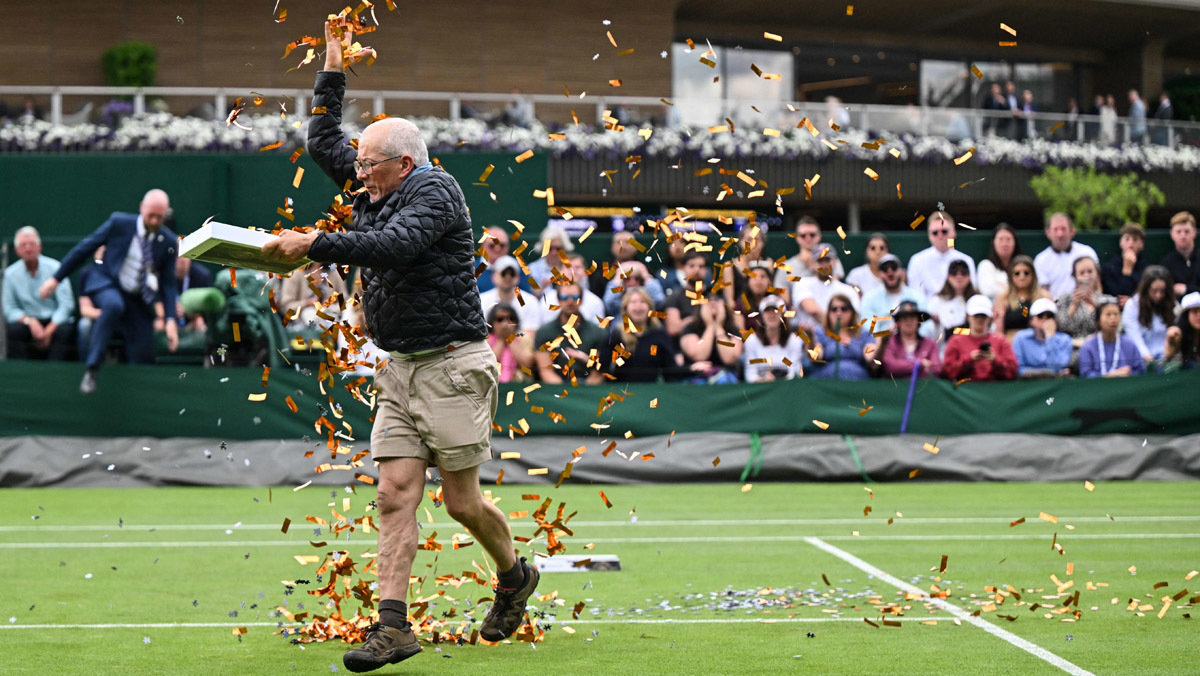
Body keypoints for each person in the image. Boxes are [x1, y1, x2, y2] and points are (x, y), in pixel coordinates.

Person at [259, 20, 537, 671]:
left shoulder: (435, 191)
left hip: (451, 365)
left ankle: (515, 574)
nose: (355, 173)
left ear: (402, 164)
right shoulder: (370, 181)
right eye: (356, 165)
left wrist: (312, 243)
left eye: (367, 165)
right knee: (393, 493)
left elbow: (393, 246)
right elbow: (323, 136)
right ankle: (394, 629)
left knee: (461, 501)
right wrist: (333, 65)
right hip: (400, 368)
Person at [40, 189, 180, 394]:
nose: (155, 220)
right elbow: (85, 249)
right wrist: (56, 278)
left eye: (160, 217)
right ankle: (92, 369)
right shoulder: (119, 223)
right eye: (151, 215)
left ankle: (139, 394)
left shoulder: (168, 242)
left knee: (144, 346)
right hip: (108, 283)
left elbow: (168, 284)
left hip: (137, 299)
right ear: (142, 208)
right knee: (114, 305)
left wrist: (170, 320)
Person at [3, 226, 76, 360]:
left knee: (65, 330)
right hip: (28, 322)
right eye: (23, 245)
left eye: (32, 244)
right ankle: (22, 374)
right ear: (17, 250)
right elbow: (9, 309)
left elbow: (66, 305)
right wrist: (30, 321)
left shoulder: (56, 268)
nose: (28, 249)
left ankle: (55, 373)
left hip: (54, 321)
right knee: (14, 330)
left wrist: (49, 330)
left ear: (39, 247)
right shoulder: (10, 274)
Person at [533, 280, 607, 385]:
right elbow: (546, 371)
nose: (570, 301)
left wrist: (583, 392)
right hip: (556, 390)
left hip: (590, 391)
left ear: (581, 300)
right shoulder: (545, 332)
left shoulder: (598, 332)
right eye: (564, 297)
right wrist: (565, 393)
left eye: (575, 297)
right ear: (558, 300)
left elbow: (600, 372)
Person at [601, 287, 679, 382]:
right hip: (621, 391)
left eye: (642, 302)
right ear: (626, 308)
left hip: (651, 391)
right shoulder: (617, 335)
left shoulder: (660, 334)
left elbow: (671, 370)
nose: (638, 307)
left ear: (649, 307)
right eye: (633, 302)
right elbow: (603, 366)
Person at [941, 294, 1018, 382]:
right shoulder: (956, 341)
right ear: (967, 316)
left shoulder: (1000, 340)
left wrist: (995, 360)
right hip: (965, 389)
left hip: (995, 388)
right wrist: (969, 359)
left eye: (983, 316)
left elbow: (1013, 371)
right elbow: (947, 372)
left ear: (990, 318)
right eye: (976, 316)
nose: (980, 319)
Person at [906, 210, 976, 300]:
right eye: (935, 233)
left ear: (953, 233)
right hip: (928, 311)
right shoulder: (917, 260)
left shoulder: (966, 260)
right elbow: (916, 295)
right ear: (929, 236)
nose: (940, 235)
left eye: (944, 231)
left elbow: (971, 292)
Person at [791, 242, 859, 331]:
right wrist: (834, 329)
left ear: (835, 262)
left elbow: (854, 317)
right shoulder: (802, 283)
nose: (824, 265)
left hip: (840, 339)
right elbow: (813, 311)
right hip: (809, 338)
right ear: (812, 263)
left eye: (827, 260)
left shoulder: (847, 290)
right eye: (820, 261)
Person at [679, 292, 742, 383]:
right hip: (696, 377)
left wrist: (719, 327)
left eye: (716, 299)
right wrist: (710, 326)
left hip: (726, 378)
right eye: (708, 299)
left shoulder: (733, 330)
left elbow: (729, 358)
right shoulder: (690, 328)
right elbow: (699, 355)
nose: (712, 302)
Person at [1033, 212, 1099, 298]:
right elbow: (1043, 291)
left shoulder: (1087, 252)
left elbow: (1097, 284)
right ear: (1048, 232)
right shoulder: (1040, 260)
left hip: (1086, 304)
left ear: (1072, 231)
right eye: (1055, 229)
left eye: (1063, 229)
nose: (1060, 234)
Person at [1121, 265, 1177, 366]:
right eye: (1154, 291)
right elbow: (1134, 336)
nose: (1158, 295)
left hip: (1167, 359)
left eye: (1162, 291)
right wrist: (1149, 360)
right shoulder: (1132, 305)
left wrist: (1167, 358)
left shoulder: (1173, 304)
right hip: (1141, 361)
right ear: (1146, 289)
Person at [809, 294, 874, 380]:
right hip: (826, 382)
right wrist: (810, 338)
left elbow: (870, 358)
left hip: (858, 382)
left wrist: (882, 344)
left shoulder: (863, 334)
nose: (839, 313)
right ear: (828, 313)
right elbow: (816, 356)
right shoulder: (820, 333)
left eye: (844, 309)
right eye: (834, 309)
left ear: (852, 312)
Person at [741, 294, 805, 382]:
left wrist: (777, 381)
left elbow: (795, 372)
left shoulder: (794, 340)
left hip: (787, 387)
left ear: (782, 315)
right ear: (762, 315)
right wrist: (764, 380)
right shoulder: (751, 341)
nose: (772, 315)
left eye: (775, 311)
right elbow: (750, 374)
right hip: (761, 388)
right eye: (767, 311)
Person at [860, 253, 926, 335]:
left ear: (902, 271)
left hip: (912, 343)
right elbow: (868, 328)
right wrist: (886, 334)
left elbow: (926, 326)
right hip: (881, 344)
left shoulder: (916, 297)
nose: (890, 273)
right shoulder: (869, 298)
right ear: (879, 274)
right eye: (885, 269)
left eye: (894, 267)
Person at [1080, 298, 1146, 378]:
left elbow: (1140, 371)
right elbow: (1085, 374)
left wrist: (1129, 373)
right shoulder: (1088, 347)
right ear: (1098, 321)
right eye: (1108, 314)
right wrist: (1108, 376)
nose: (1113, 319)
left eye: (1116, 314)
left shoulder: (1129, 344)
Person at [774, 216, 845, 291]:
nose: (808, 238)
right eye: (803, 235)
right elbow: (783, 299)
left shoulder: (831, 260)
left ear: (819, 236)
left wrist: (816, 267)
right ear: (797, 238)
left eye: (812, 235)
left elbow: (835, 288)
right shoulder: (785, 267)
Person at [278, 261, 348, 332]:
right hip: (301, 325)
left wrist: (330, 307)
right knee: (310, 315)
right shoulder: (295, 273)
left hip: (330, 319)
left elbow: (344, 303)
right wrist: (306, 303)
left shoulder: (334, 272)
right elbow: (285, 306)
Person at [478, 255, 544, 331]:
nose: (508, 277)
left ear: (518, 277)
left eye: (512, 274)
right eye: (504, 273)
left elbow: (530, 333)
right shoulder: (482, 301)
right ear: (494, 276)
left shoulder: (530, 301)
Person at [993, 254, 1051, 339]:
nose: (1022, 277)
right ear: (1011, 276)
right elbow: (999, 332)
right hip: (1011, 343)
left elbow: (1051, 326)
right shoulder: (1002, 298)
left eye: (1026, 273)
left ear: (1033, 275)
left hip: (1039, 343)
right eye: (1017, 273)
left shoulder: (1044, 296)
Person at [878, 300, 941, 379]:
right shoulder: (889, 342)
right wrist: (919, 364)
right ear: (898, 322)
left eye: (912, 317)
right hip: (894, 389)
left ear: (918, 321)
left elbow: (936, 369)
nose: (908, 321)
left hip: (923, 389)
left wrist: (903, 368)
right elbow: (890, 367)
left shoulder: (930, 343)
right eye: (904, 318)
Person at [1012, 297, 1072, 378]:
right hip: (1028, 383)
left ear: (1055, 320)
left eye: (1050, 316)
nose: (1045, 319)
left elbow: (1058, 366)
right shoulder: (1021, 338)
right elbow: (1018, 368)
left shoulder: (1065, 340)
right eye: (1040, 316)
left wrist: (1050, 338)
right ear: (1031, 320)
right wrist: (1043, 373)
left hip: (1055, 384)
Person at [1056, 256, 1105, 343]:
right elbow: (1060, 327)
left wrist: (1095, 305)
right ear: (1075, 276)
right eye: (1082, 273)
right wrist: (1074, 306)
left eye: (1090, 272)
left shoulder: (1106, 301)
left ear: (1097, 274)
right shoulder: (1065, 299)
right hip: (1073, 347)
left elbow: (1114, 327)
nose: (1086, 276)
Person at [925, 259, 977, 341]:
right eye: (954, 272)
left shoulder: (977, 300)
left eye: (963, 273)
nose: (959, 276)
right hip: (944, 344)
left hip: (972, 343)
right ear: (948, 276)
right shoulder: (936, 301)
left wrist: (955, 331)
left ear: (969, 276)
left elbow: (983, 329)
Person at [486, 302, 534, 383]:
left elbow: (527, 365)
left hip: (519, 384)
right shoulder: (486, 340)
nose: (505, 323)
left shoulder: (524, 338)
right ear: (492, 322)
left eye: (511, 318)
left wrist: (510, 339)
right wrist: (501, 339)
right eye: (500, 319)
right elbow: (488, 366)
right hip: (491, 384)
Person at [1100, 222, 1146, 307]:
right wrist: (1127, 270)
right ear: (1121, 242)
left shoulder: (1145, 268)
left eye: (1135, 239)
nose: (1131, 244)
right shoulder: (1109, 267)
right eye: (1127, 239)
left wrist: (1131, 302)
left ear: (1141, 244)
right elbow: (1116, 294)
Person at [976, 223, 1023, 299]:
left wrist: (1001, 286)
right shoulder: (985, 265)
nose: (1004, 244)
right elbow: (988, 291)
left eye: (1008, 239)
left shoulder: (1022, 266)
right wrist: (1013, 289)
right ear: (994, 242)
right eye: (1000, 239)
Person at [1159, 211, 1200, 298]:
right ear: (1172, 234)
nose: (1183, 235)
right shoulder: (1166, 263)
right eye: (1178, 232)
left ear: (1194, 232)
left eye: (1187, 231)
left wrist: (1187, 289)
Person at [527, 223, 574, 297]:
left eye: (558, 249)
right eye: (549, 248)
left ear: (564, 249)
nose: (554, 252)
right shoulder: (532, 269)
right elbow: (529, 299)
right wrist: (542, 288)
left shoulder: (574, 267)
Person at [844, 232, 890, 297]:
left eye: (882, 248)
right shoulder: (855, 275)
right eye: (873, 248)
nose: (878, 252)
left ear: (887, 251)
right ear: (866, 251)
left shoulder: (895, 275)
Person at [1164, 292, 1200, 370]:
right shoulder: (1177, 332)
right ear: (1186, 315)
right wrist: (1172, 340)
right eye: (1195, 312)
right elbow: (1167, 358)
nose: (1199, 316)